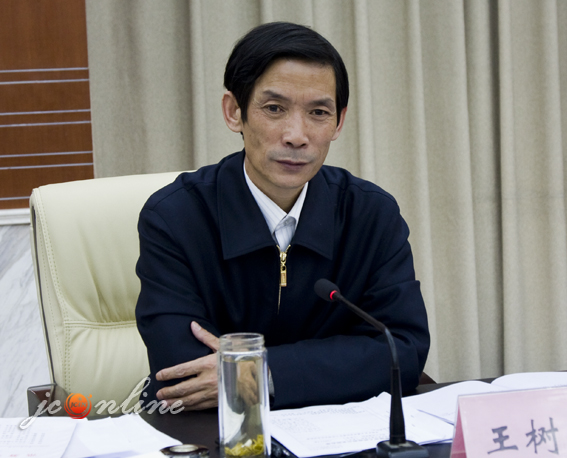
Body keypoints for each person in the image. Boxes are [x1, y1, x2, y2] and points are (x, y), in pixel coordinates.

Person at [135, 21, 429, 411]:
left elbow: (402, 350)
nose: (296, 135)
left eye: (318, 112)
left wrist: (261, 373)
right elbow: (183, 374)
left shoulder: (371, 214)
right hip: (215, 432)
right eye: (274, 109)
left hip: (337, 431)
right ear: (234, 112)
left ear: (338, 122)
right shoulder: (175, 217)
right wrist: (339, 365)